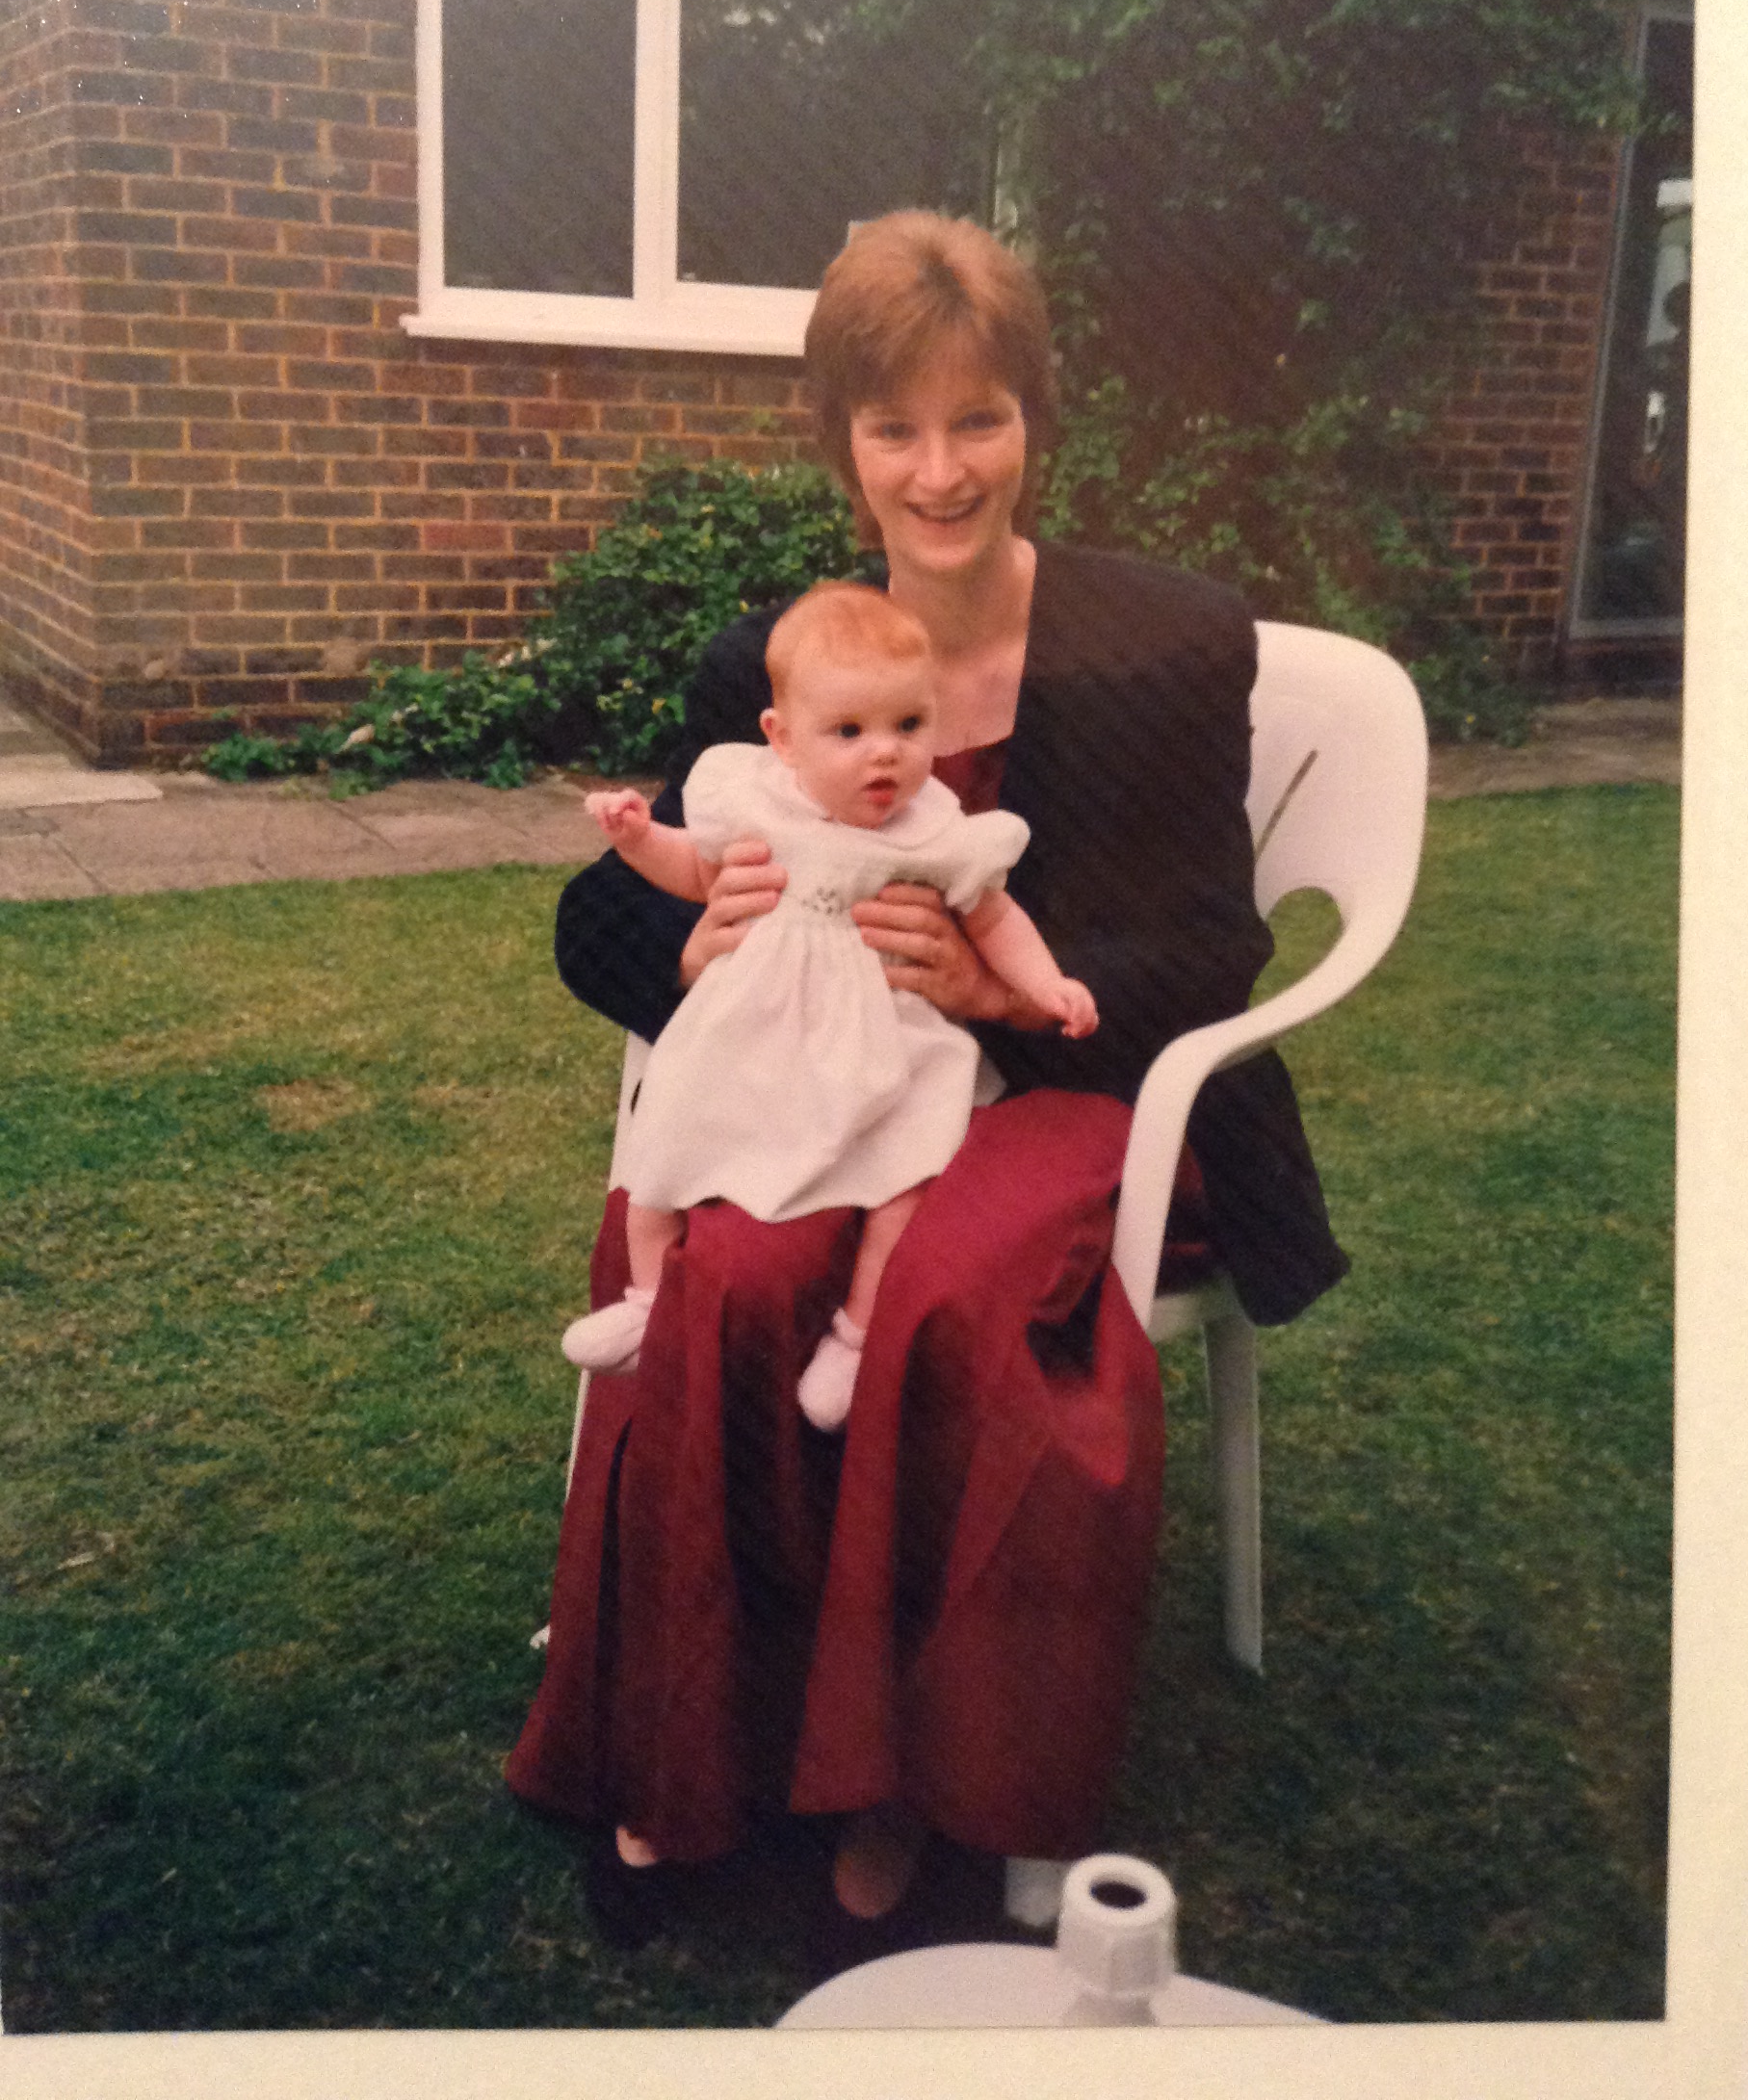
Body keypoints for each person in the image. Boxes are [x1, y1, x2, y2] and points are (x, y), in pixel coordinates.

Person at [507, 211, 1346, 1935]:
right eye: (896, 427)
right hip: (844, 1087)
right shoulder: (781, 663)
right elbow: (603, 917)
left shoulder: (1167, 641)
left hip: (1084, 1089)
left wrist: (995, 986)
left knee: (950, 1292)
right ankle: (703, 1750)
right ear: (842, 442)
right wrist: (697, 938)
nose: (941, 471)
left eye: (980, 419)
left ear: (1036, 420)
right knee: (738, 1267)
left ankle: (913, 1781)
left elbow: (1209, 946)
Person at [561, 580, 1097, 1431]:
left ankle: (856, 1333)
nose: (884, 756)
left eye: (908, 726)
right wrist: (638, 837)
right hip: (763, 1035)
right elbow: (695, 872)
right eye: (849, 732)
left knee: (907, 1175)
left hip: (886, 1040)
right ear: (782, 739)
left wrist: (1041, 986)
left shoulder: (936, 830)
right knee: (667, 1129)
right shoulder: (756, 801)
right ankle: (649, 1300)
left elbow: (996, 918)